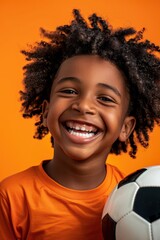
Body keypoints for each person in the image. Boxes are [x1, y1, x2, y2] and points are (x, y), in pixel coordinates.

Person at [0, 9, 160, 240]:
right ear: (46, 112)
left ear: (126, 127)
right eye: (69, 91)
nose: (84, 106)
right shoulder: (12, 197)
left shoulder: (130, 196)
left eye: (105, 98)